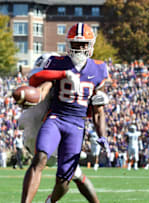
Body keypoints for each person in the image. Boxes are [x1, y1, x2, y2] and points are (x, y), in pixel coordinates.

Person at [21, 22, 109, 203]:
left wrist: (103, 136)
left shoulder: (99, 69)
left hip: (76, 125)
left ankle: (49, 201)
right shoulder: (57, 63)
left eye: (83, 44)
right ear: (68, 45)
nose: (79, 49)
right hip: (56, 118)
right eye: (76, 44)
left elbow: (98, 110)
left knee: (64, 179)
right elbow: (44, 87)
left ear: (91, 45)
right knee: (40, 158)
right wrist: (35, 97)